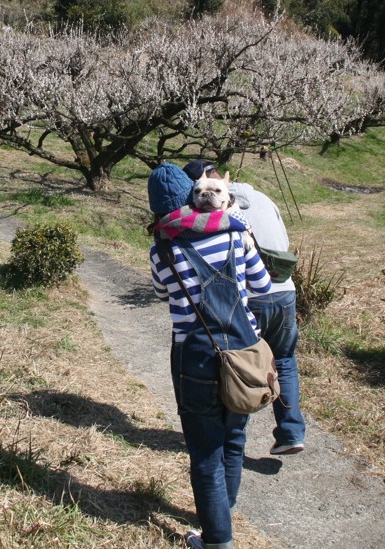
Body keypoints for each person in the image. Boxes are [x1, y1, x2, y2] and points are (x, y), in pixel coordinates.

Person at [148, 163, 272, 549]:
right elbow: (263, 285)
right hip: (243, 347)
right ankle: (225, 506)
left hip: (195, 355)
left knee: (205, 450)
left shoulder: (161, 248)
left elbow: (161, 295)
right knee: (234, 435)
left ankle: (217, 537)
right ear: (190, 194)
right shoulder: (237, 235)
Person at [185, 160, 306, 456]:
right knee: (285, 359)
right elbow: (284, 239)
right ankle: (291, 432)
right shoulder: (263, 197)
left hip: (252, 295)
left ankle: (234, 433)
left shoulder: (216, 214)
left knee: (243, 363)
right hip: (286, 292)